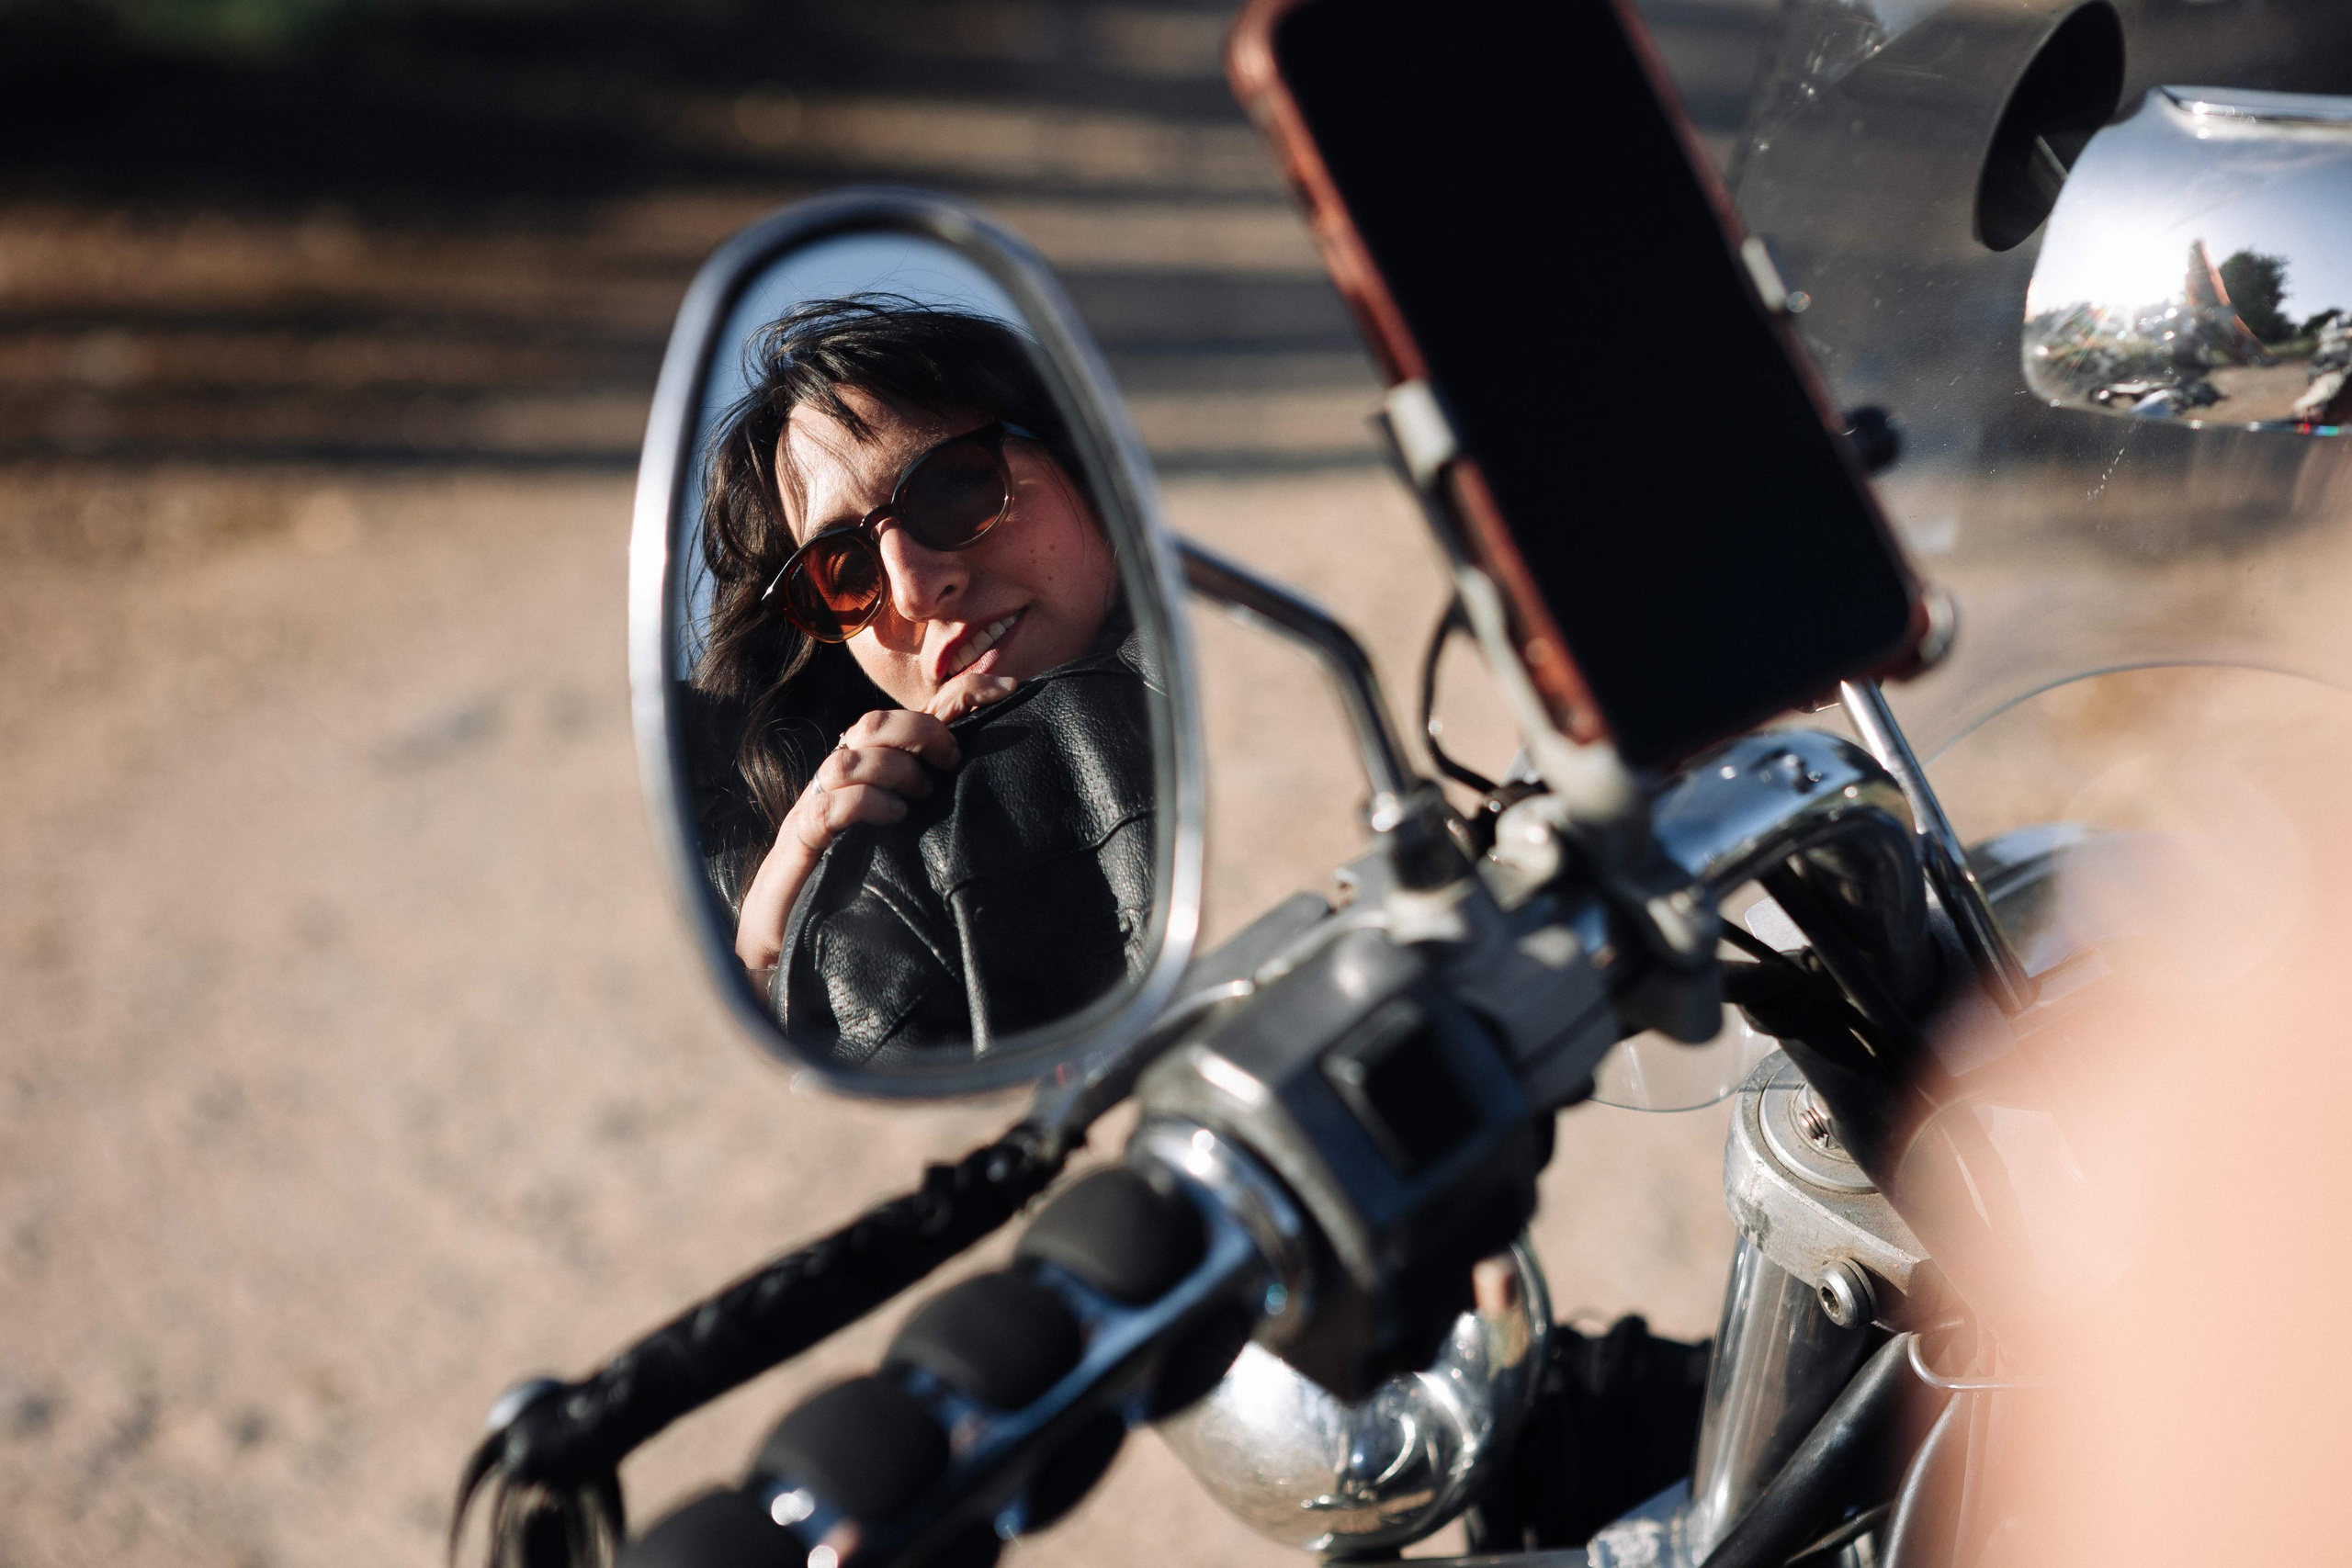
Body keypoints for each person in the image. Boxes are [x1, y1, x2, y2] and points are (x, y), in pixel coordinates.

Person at [687, 295, 1156, 1064]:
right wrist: (781, 948)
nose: (910, 589)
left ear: (1081, 457)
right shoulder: (861, 849)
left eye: (955, 487)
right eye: (841, 572)